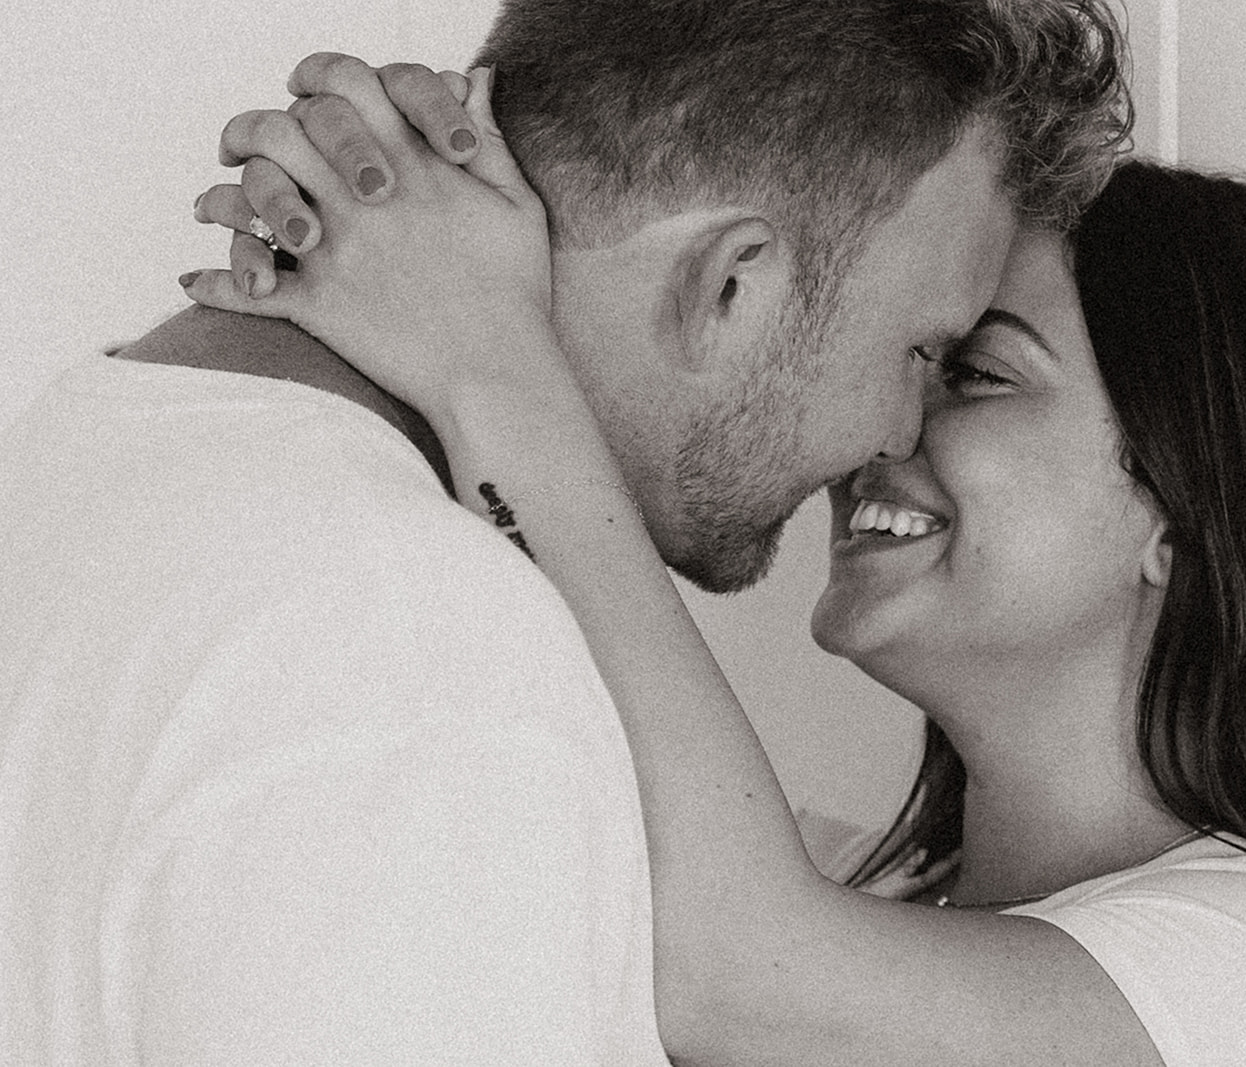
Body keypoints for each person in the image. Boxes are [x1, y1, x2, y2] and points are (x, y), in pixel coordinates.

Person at [190, 69, 1246, 1067]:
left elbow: (739, 973)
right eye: (913, 360)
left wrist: (488, 347)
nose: (880, 431)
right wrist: (415, 241)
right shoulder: (822, 875)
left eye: (973, 374)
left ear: (1191, 506)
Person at [0, 2, 1128, 1061]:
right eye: (924, 353)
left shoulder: (89, 453)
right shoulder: (428, 657)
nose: (895, 434)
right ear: (729, 284)